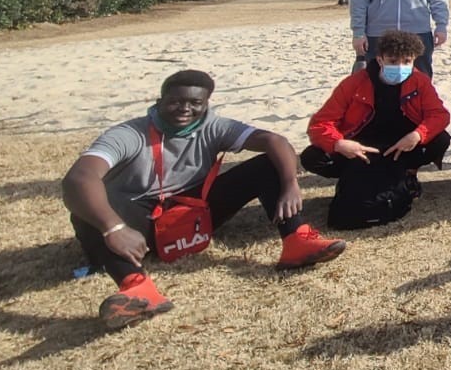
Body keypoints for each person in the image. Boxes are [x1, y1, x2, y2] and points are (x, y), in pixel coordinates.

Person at [62, 70, 347, 329]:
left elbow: (274, 141)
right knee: (88, 209)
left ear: (206, 104)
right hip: (141, 219)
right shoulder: (129, 134)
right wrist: (114, 228)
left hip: (192, 210)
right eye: (175, 102)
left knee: (268, 164)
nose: (185, 109)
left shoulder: (212, 126)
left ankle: (296, 241)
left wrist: (290, 183)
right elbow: (79, 179)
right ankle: (136, 288)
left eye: (195, 103)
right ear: (159, 101)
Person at [301, 30, 451, 229]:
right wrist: (339, 143)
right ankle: (352, 177)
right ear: (380, 59)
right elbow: (320, 123)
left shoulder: (420, 81)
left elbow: (440, 115)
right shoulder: (354, 83)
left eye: (407, 61)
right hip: (360, 147)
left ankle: (409, 174)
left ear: (414, 60)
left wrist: (417, 135)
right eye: (392, 60)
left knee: (440, 138)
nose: (400, 67)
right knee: (312, 156)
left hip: (402, 146)